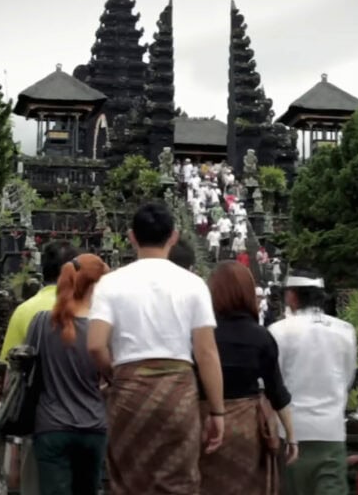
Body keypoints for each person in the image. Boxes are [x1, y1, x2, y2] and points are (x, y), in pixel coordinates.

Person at [87, 202, 225, 495]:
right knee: (179, 479)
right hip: (178, 393)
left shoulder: (109, 284)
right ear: (173, 236)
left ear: (131, 237)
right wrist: (217, 411)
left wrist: (115, 376)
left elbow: (96, 345)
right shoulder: (194, 284)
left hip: (128, 392)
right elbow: (207, 353)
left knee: (128, 480)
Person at [199, 261, 298, 495]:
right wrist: (291, 436)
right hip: (246, 429)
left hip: (203, 424)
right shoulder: (261, 337)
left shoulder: (201, 334)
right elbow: (276, 391)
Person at [0, 241, 80, 494]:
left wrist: (13, 443)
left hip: (37, 425)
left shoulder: (24, 311)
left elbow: (11, 381)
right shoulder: (87, 311)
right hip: (82, 423)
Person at [267, 269, 357, 495]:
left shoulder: (278, 331)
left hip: (291, 430)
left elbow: (272, 383)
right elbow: (348, 377)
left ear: (292, 296)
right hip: (331, 429)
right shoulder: (345, 330)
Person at [29, 253, 110, 495]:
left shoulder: (41, 322)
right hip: (94, 425)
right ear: (95, 286)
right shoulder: (100, 330)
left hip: (51, 425)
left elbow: (26, 370)